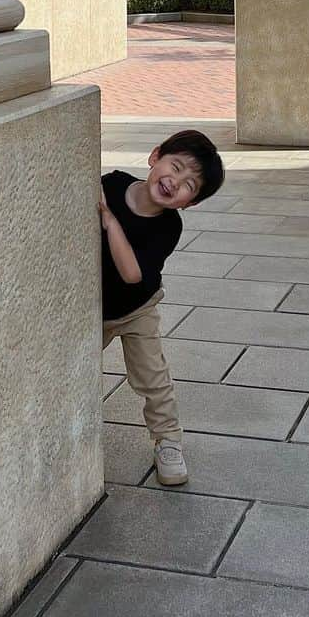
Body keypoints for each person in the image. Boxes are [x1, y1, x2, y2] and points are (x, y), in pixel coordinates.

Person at [99, 129, 225, 485]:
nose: (175, 181)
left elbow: (132, 274)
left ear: (190, 203)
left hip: (137, 308)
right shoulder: (112, 184)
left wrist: (110, 222)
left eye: (189, 185)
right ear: (155, 156)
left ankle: (168, 440)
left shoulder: (168, 227)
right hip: (93, 308)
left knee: (152, 378)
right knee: (66, 369)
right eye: (176, 166)